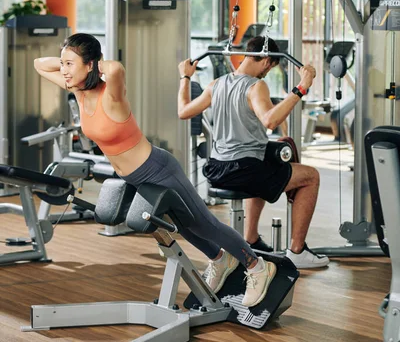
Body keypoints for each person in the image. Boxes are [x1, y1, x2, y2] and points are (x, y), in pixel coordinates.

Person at [34, 33, 276, 308]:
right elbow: (39, 64)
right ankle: (221, 260)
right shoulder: (77, 91)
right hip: (133, 177)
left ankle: (257, 266)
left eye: (69, 64)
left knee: (205, 223)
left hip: (157, 169)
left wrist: (88, 63)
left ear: (91, 65)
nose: (63, 70)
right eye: (62, 64)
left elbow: (115, 69)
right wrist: (71, 62)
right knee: (184, 226)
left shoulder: (111, 92)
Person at [178, 35, 329, 269]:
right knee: (311, 176)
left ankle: (251, 239)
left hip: (216, 168)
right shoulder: (256, 85)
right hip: (242, 170)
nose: (266, 74)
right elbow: (270, 120)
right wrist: (302, 87)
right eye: (268, 69)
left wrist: (185, 77)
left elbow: (184, 111)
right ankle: (297, 251)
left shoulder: (216, 84)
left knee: (264, 161)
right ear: (266, 61)